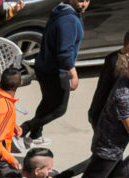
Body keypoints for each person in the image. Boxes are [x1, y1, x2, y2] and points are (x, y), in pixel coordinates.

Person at [21, 0, 89, 145]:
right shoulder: (69, 20)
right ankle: (25, 128)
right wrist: (73, 72)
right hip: (55, 71)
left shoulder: (61, 9)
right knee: (59, 108)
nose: (84, 4)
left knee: (47, 102)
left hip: (45, 66)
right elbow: (65, 51)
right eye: (81, 0)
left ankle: (35, 135)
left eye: (87, 0)